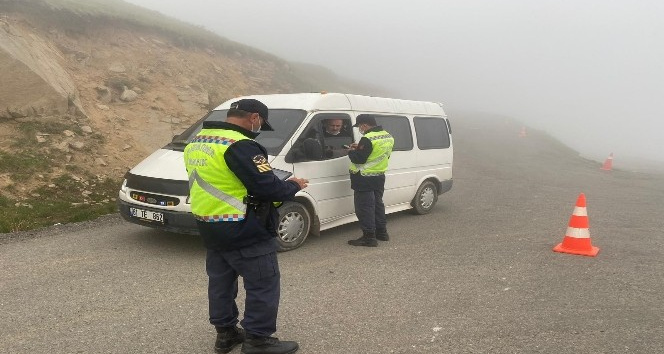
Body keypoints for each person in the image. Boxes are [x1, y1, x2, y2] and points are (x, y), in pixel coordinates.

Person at [183, 98, 308, 354]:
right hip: (244, 227)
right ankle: (258, 340)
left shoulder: (199, 140)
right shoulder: (242, 146)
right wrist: (294, 185)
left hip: (209, 224)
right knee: (263, 283)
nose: (259, 126)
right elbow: (268, 187)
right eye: (260, 122)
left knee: (221, 283)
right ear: (254, 118)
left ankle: (226, 334)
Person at [346, 115, 395, 247]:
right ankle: (382, 233)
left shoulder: (367, 138)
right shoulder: (388, 136)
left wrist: (350, 151)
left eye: (360, 127)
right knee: (378, 206)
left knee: (365, 208)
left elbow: (359, 159)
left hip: (364, 178)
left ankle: (369, 238)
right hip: (378, 176)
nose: (360, 129)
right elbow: (381, 154)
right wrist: (360, 148)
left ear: (364, 125)